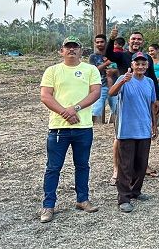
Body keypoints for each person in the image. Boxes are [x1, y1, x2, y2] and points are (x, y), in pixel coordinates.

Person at [39, 36, 101, 223]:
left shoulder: (90, 70)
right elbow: (45, 96)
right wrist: (65, 112)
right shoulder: (52, 71)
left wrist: (75, 109)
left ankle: (82, 199)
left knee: (82, 165)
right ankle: (48, 205)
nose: (71, 50)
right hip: (59, 127)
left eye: (75, 47)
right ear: (62, 50)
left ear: (81, 51)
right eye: (68, 47)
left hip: (83, 127)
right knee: (53, 168)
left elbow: (96, 92)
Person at [105, 26, 159, 181]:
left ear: (142, 42)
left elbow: (152, 77)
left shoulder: (146, 58)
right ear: (129, 41)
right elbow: (108, 54)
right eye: (133, 39)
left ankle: (144, 165)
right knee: (120, 137)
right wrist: (111, 39)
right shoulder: (122, 56)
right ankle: (116, 168)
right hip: (125, 99)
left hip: (142, 100)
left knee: (143, 135)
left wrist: (157, 98)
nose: (136, 41)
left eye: (139, 39)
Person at [108, 52, 157, 213]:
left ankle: (136, 191)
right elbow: (112, 93)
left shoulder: (149, 82)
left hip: (144, 129)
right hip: (127, 130)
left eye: (144, 64)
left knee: (141, 164)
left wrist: (154, 125)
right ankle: (124, 197)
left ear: (147, 66)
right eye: (138, 63)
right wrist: (122, 81)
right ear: (132, 64)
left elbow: (152, 105)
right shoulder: (125, 79)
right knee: (125, 166)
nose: (141, 66)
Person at [89, 34, 115, 124]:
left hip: (115, 86)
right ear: (95, 44)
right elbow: (94, 70)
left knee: (117, 109)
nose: (100, 44)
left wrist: (113, 71)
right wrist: (106, 63)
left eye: (102, 42)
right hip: (101, 86)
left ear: (106, 42)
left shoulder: (113, 55)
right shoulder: (93, 57)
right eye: (97, 42)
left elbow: (121, 69)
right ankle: (94, 128)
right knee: (96, 109)